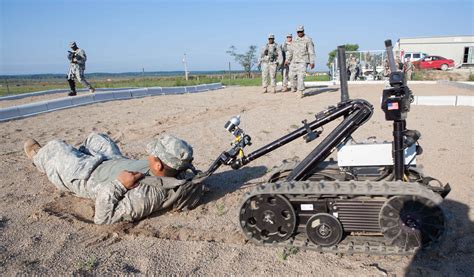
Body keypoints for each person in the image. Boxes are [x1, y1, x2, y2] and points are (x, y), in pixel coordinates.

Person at [23, 133, 203, 224]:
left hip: (86, 176)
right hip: (112, 161)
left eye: (153, 154)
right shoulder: (173, 170)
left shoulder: (147, 196)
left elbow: (103, 219)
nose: (149, 154)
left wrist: (118, 185)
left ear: (158, 165)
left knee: (57, 147)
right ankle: (78, 153)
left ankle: (39, 157)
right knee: (97, 137)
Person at [286, 25, 315, 98]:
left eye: (301, 31)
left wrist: (312, 62)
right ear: (296, 32)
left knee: (301, 77)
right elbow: (290, 51)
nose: (300, 33)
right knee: (291, 76)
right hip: (294, 61)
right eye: (298, 32)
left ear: (303, 31)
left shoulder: (308, 39)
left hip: (303, 61)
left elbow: (311, 51)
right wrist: (287, 60)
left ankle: (300, 92)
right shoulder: (294, 40)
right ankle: (297, 88)